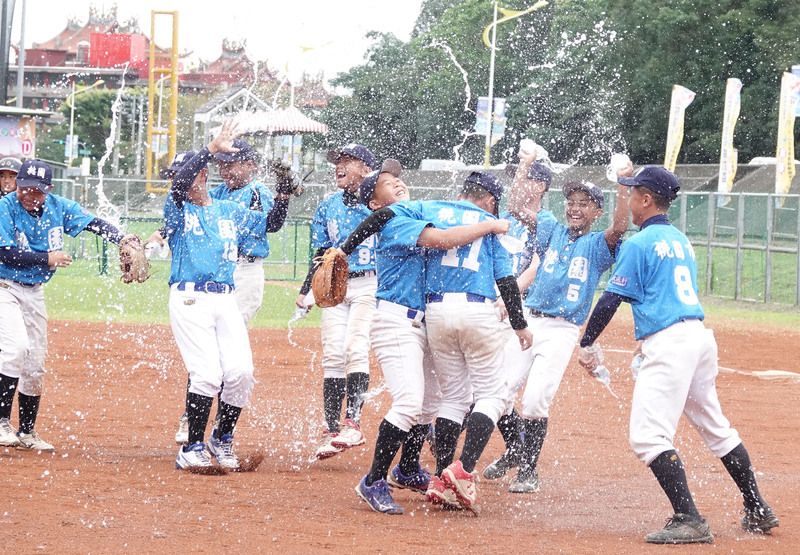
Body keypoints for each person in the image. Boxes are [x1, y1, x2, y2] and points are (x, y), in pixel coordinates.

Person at [577, 166, 778, 544]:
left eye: (634, 192)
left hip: (671, 344)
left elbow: (610, 300)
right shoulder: (681, 240)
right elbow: (664, 294)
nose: (630, 198)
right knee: (717, 428)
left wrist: (586, 342)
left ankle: (689, 518)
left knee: (648, 437)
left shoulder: (639, 243)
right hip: (697, 338)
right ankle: (757, 507)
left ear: (647, 199)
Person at [340, 160, 510, 514]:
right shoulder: (398, 222)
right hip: (396, 321)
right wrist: (489, 223)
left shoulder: (415, 215)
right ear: (375, 202)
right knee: (409, 403)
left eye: (398, 180)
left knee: (433, 402)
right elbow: (445, 240)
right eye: (386, 184)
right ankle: (373, 480)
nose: (397, 184)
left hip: (424, 323)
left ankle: (408, 468)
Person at [387, 171, 532, 512]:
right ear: (489, 201)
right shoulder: (491, 222)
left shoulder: (435, 210)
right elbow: (506, 279)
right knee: (492, 395)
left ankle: (441, 479)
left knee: (453, 399)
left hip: (436, 311)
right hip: (477, 309)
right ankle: (462, 471)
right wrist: (520, 324)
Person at [497, 150, 631, 493]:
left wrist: (622, 183)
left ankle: (529, 470)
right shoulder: (552, 230)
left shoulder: (597, 244)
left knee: (535, 399)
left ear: (595, 212)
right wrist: (525, 165)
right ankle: (514, 449)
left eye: (585, 202)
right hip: (528, 320)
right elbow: (515, 208)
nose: (575, 207)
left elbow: (620, 227)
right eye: (571, 200)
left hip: (561, 328)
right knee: (498, 392)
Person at [0, 159, 129, 451]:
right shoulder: (6, 207)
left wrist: (121, 239)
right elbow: (5, 253)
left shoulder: (59, 207)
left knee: (35, 364)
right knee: (15, 348)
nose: (29, 196)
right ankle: (0, 421)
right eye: (24, 189)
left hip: (34, 291)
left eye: (37, 191)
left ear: (49, 189)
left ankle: (28, 433)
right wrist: (48, 258)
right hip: (4, 286)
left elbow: (93, 223)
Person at [166, 120, 273, 470]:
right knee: (207, 374)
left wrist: (284, 194)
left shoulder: (229, 208)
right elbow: (180, 183)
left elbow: (269, 223)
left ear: (202, 175)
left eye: (186, 171)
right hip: (189, 298)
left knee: (241, 372)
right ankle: (191, 447)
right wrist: (210, 149)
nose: (178, 179)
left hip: (225, 297)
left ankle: (221, 437)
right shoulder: (178, 210)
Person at [295, 144, 377, 460]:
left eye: (347, 161)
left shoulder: (377, 204)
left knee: (354, 347)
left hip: (370, 284)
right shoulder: (327, 207)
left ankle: (352, 422)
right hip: (335, 287)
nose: (338, 166)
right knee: (332, 355)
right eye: (337, 162)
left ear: (366, 169)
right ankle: (332, 430)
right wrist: (308, 290)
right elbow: (319, 253)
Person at [482, 160, 556, 481]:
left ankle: (521, 454)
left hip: (519, 308)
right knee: (493, 385)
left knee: (499, 385)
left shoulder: (547, 220)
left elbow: (536, 266)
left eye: (522, 179)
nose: (515, 184)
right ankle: (516, 447)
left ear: (539, 186)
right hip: (492, 305)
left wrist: (508, 296)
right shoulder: (505, 218)